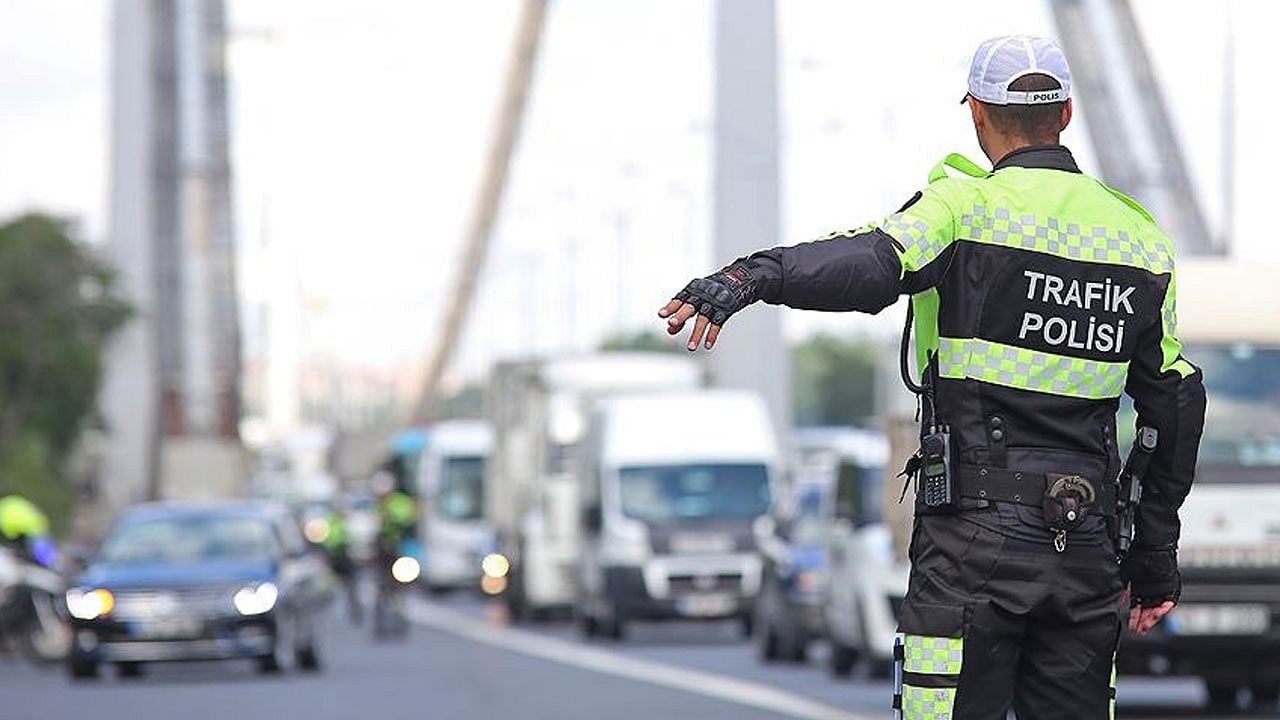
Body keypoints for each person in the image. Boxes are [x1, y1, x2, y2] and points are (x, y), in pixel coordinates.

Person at [659, 35, 1205, 719]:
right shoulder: (1140, 240)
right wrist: (1153, 556)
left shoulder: (962, 208)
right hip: (1085, 547)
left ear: (977, 113)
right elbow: (1175, 403)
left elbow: (867, 264)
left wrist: (750, 277)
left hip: (972, 548)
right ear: (1066, 114)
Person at [0, 494, 55, 567]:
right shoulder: (9, 503)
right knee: (43, 554)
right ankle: (44, 562)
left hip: (29, 530)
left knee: (38, 551)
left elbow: (11, 534)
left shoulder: (5, 507)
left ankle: (40, 561)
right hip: (36, 526)